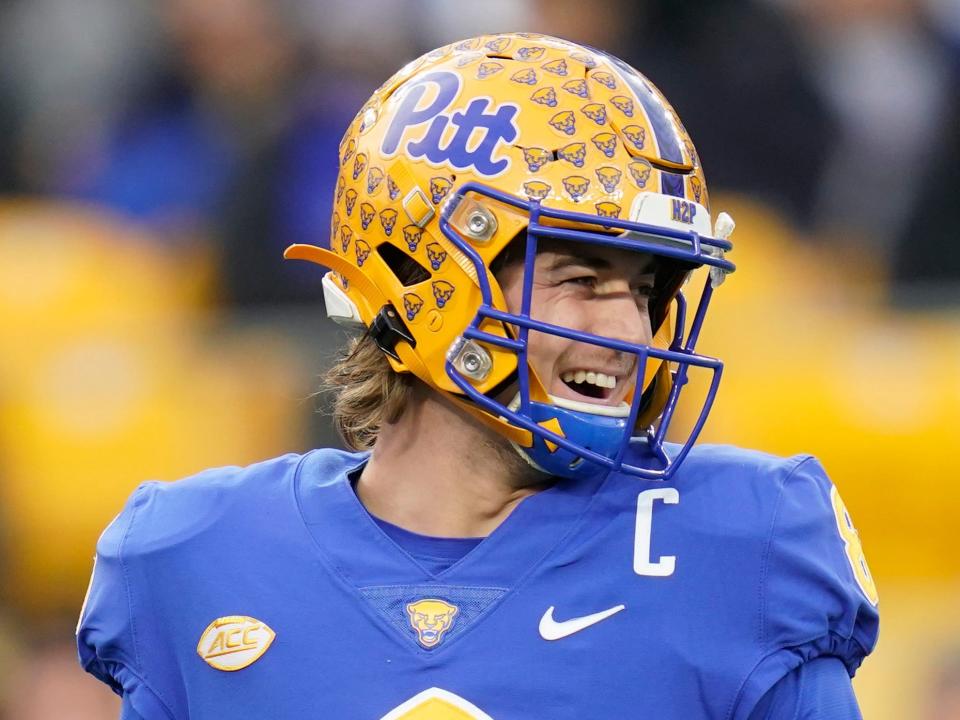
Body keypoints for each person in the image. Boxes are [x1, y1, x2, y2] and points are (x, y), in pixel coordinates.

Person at [76, 33, 879, 719]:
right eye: (580, 279)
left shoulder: (745, 546)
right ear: (419, 274)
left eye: (643, 289)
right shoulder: (195, 558)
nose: (629, 330)